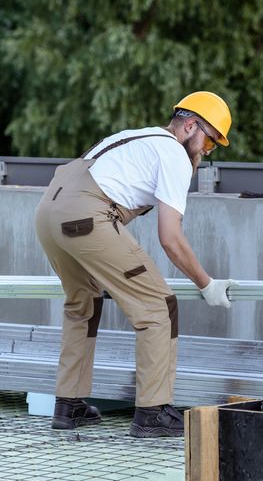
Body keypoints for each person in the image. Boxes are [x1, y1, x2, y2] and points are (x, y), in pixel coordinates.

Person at [34, 91, 235, 437]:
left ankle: (69, 406)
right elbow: (170, 238)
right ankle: (153, 412)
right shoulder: (173, 154)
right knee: (158, 305)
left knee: (82, 304)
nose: (206, 152)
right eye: (209, 142)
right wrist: (206, 283)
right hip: (86, 216)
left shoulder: (135, 136)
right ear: (190, 126)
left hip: (48, 216)